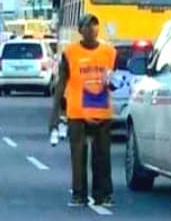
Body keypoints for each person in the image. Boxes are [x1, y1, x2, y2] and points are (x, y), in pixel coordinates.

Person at [49, 14, 119, 208]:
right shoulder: (71, 53)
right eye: (88, 27)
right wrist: (55, 115)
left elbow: (113, 81)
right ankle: (79, 194)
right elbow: (61, 84)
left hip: (102, 111)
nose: (92, 30)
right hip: (77, 113)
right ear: (80, 31)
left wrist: (114, 84)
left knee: (102, 156)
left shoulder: (109, 52)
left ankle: (103, 194)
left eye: (95, 26)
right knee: (78, 155)